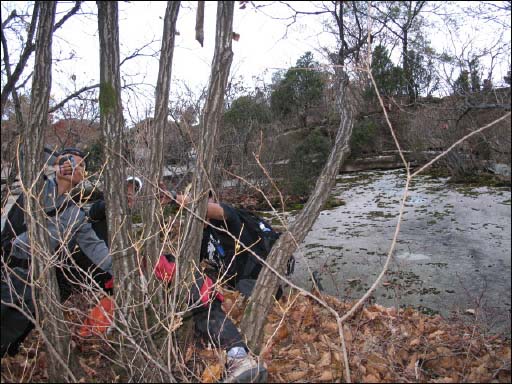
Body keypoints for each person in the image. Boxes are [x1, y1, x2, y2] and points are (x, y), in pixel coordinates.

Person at [83, 178, 268, 383]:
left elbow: (209, 211)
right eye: (124, 192)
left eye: (132, 192)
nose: (129, 197)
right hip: (119, 288)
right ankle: (233, 356)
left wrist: (173, 199)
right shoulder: (95, 218)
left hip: (255, 280)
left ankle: (237, 356)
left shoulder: (229, 218)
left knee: (198, 294)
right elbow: (95, 214)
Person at [1, 147, 113, 357]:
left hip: (32, 282)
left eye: (80, 165)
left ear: (82, 176)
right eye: (69, 160)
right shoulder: (36, 187)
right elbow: (26, 157)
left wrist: (125, 271)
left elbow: (96, 248)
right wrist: (53, 163)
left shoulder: (75, 215)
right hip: (7, 269)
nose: (73, 166)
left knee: (9, 334)